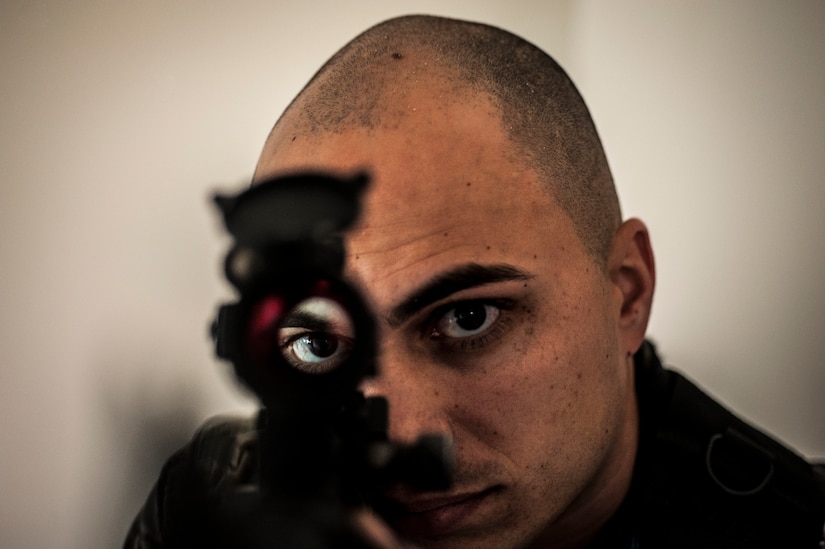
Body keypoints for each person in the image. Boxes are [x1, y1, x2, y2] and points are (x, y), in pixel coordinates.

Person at [125, 15, 825, 548]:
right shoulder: (212, 509)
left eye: (467, 320)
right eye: (317, 345)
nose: (399, 436)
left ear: (626, 291)